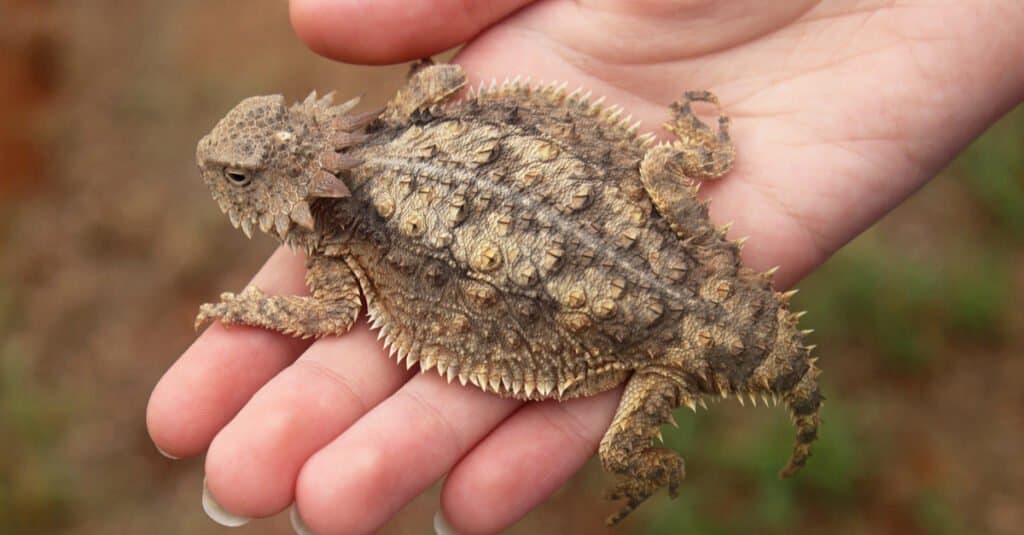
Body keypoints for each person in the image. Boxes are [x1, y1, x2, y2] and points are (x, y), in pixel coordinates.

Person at [147, 1, 1024, 533]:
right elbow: (442, 86)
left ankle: (649, 460)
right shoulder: (394, 126)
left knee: (618, 441)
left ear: (300, 141)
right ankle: (697, 158)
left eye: (237, 171)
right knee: (656, 168)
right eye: (236, 170)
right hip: (658, 249)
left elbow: (332, 317)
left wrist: (256, 308)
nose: (220, 167)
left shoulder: (348, 221)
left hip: (638, 319)